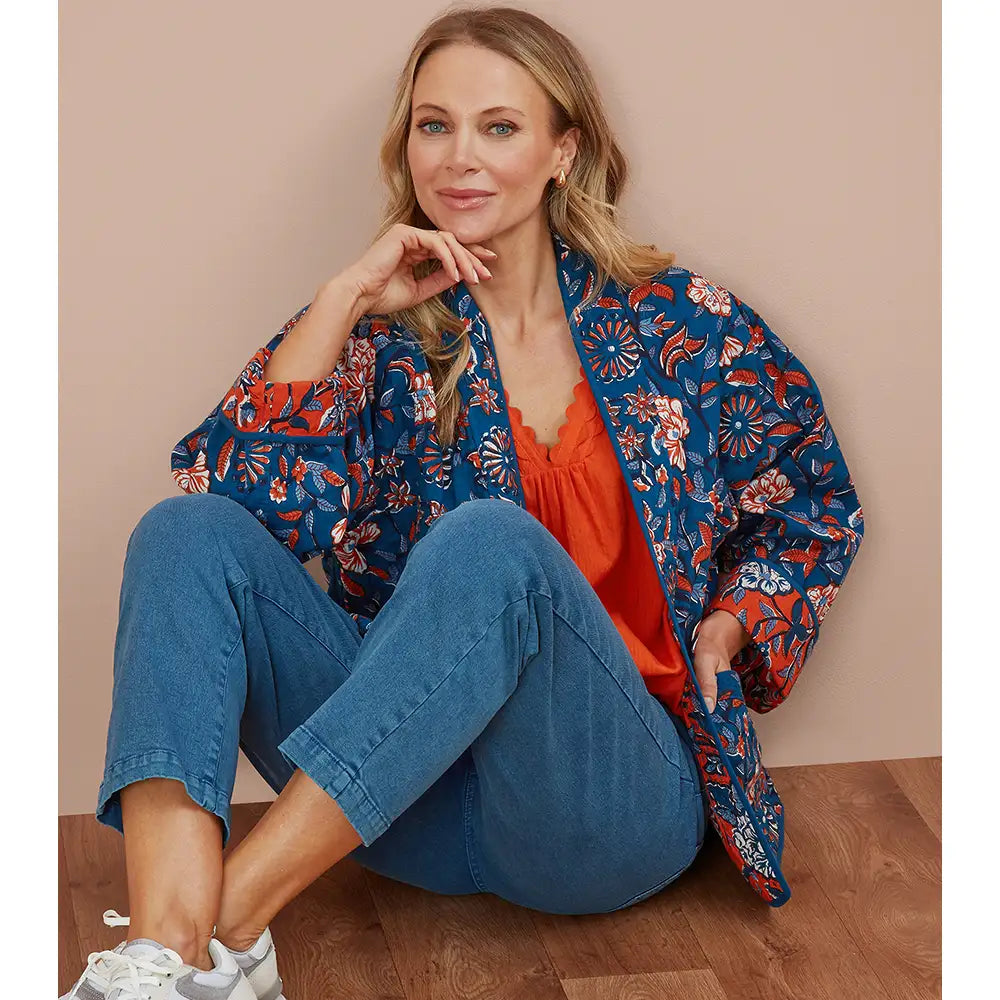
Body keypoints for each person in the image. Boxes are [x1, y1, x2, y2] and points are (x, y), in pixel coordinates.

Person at [63, 5, 865, 999]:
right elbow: (234, 521)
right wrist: (345, 300)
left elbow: (814, 503)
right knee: (179, 531)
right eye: (433, 125)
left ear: (562, 151)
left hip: (602, 808)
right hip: (399, 799)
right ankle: (163, 956)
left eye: (498, 127)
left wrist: (735, 621)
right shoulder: (388, 335)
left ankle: (225, 925)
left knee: (491, 546)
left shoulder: (675, 327)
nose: (458, 158)